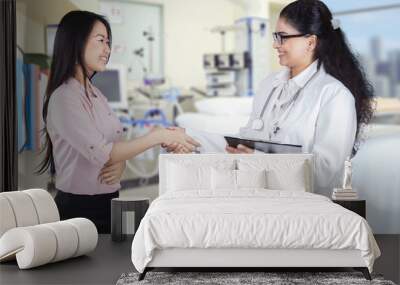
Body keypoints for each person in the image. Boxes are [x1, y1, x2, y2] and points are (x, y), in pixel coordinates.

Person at [164, 0, 374, 197]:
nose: (275, 45)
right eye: (275, 37)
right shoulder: (270, 85)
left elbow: (325, 173)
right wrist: (191, 138)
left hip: (306, 205)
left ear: (310, 42)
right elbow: (244, 142)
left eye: (282, 37)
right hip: (258, 194)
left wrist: (258, 163)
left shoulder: (334, 95)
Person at [37, 11, 200, 233]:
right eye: (101, 41)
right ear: (76, 40)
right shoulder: (64, 97)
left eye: (109, 42)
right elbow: (104, 152)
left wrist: (121, 163)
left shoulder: (95, 93)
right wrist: (160, 135)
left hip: (108, 202)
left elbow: (115, 144)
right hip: (79, 210)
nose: (107, 50)